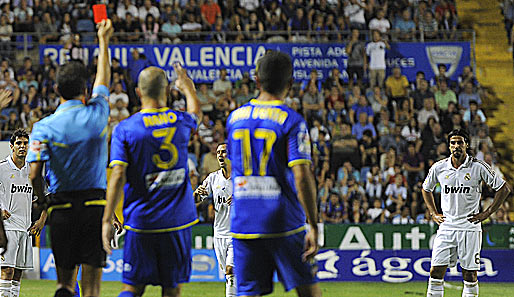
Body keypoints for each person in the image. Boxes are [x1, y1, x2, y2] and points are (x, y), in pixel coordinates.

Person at [26, 19, 114, 297]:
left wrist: (43, 203)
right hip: (94, 208)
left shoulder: (43, 127)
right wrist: (103, 41)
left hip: (61, 209)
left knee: (64, 284)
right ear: (85, 91)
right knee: (91, 289)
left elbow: (33, 174)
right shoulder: (97, 113)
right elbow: (104, 80)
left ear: (56, 90)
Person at [101, 62, 202, 297]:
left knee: (132, 288)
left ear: (137, 92)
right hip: (177, 222)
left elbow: (117, 175)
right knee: (171, 289)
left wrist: (107, 219)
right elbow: (196, 115)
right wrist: (188, 88)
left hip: (141, 222)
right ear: (167, 91)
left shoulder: (125, 129)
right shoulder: (180, 121)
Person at [226, 50, 321, 297]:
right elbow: (301, 175)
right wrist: (313, 223)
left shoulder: (234, 118)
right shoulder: (291, 120)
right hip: (283, 221)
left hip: (243, 220)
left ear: (256, 80)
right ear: (290, 83)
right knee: (308, 291)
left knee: (248, 293)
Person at [422, 129, 512, 297]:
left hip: (470, 227)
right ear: (449, 146)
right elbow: (426, 189)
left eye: (460, 142)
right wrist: (433, 213)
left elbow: (504, 188)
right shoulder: (439, 167)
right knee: (435, 271)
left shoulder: (477, 166)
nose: (456, 146)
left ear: (467, 145)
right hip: (447, 226)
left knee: (469, 275)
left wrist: (487, 213)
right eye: (453, 143)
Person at [0, 129, 45, 297]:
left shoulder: (33, 171)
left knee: (18, 273)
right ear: (11, 146)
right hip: (7, 227)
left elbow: (46, 198)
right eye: (18, 143)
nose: (22, 146)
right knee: (7, 270)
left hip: (26, 228)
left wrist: (41, 221)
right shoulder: (2, 168)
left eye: (25, 143)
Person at [193, 143, 235, 297]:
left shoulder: (240, 177)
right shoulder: (213, 178)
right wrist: (197, 193)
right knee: (228, 274)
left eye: (224, 152)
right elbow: (195, 200)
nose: (220, 155)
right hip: (219, 234)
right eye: (218, 152)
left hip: (237, 233)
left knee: (231, 271)